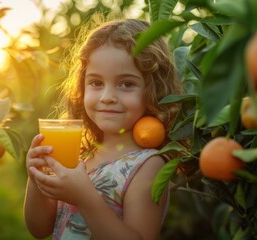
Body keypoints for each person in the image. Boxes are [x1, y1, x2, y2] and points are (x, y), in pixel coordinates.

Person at [24, 18, 183, 240]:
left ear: (153, 90)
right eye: (96, 83)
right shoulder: (79, 155)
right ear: (82, 86)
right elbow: (39, 228)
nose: (107, 97)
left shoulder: (148, 165)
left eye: (126, 84)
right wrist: (36, 177)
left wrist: (85, 198)